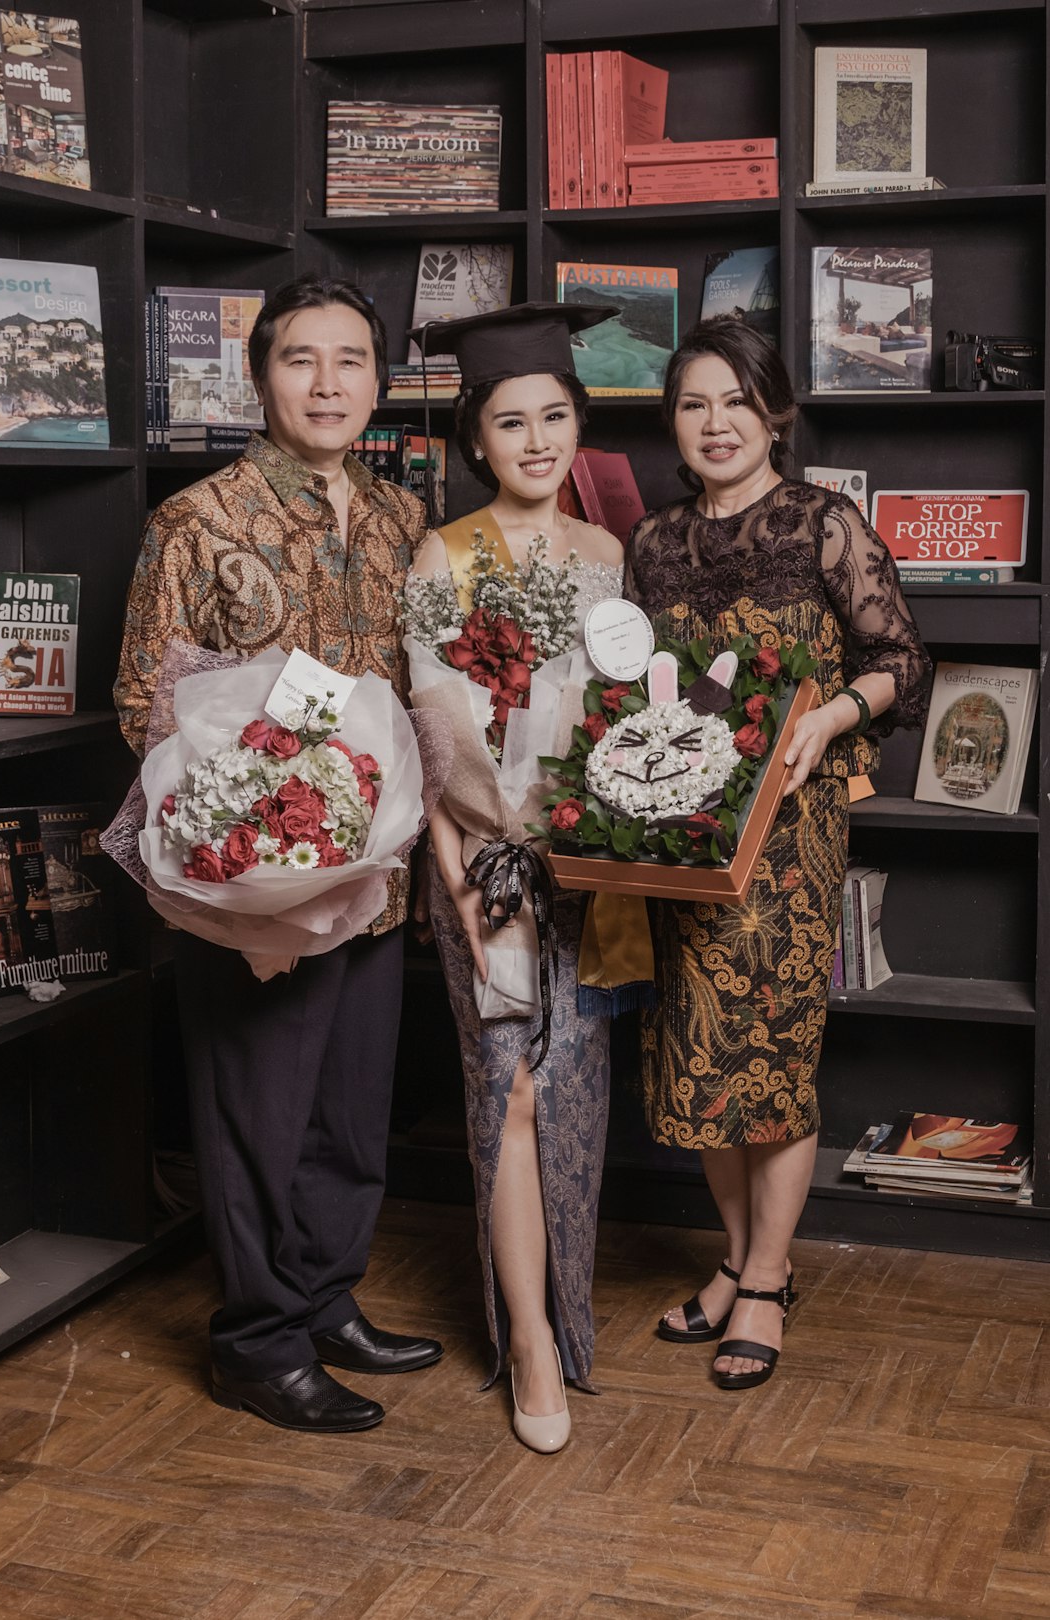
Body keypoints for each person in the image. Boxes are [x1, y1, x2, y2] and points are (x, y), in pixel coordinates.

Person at [114, 274, 442, 1434]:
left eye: (350, 360)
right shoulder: (196, 521)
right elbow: (143, 707)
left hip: (379, 878)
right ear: (261, 376)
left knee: (351, 1115)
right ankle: (256, 1341)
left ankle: (322, 1297)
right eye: (302, 359)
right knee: (258, 1115)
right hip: (258, 889)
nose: (328, 383)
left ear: (379, 381)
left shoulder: (404, 518)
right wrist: (265, 809)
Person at [623, 317, 930, 1390]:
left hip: (792, 838)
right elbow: (636, 692)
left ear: (776, 412)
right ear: (675, 420)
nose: (716, 423)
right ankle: (741, 1260)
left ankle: (763, 1281)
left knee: (774, 1061)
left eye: (736, 401)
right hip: (682, 834)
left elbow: (902, 657)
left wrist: (832, 716)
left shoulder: (823, 525)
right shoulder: (652, 545)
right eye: (694, 403)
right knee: (698, 1063)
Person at [407, 303, 624, 1452]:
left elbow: (632, 713)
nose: (536, 440)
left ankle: (571, 1314)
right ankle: (530, 1341)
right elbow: (435, 740)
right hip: (486, 870)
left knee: (575, 1092)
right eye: (509, 422)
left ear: (576, 425)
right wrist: (453, 878)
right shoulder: (444, 555)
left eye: (553, 416)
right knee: (511, 1092)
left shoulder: (609, 553)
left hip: (586, 871)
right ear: (476, 440)